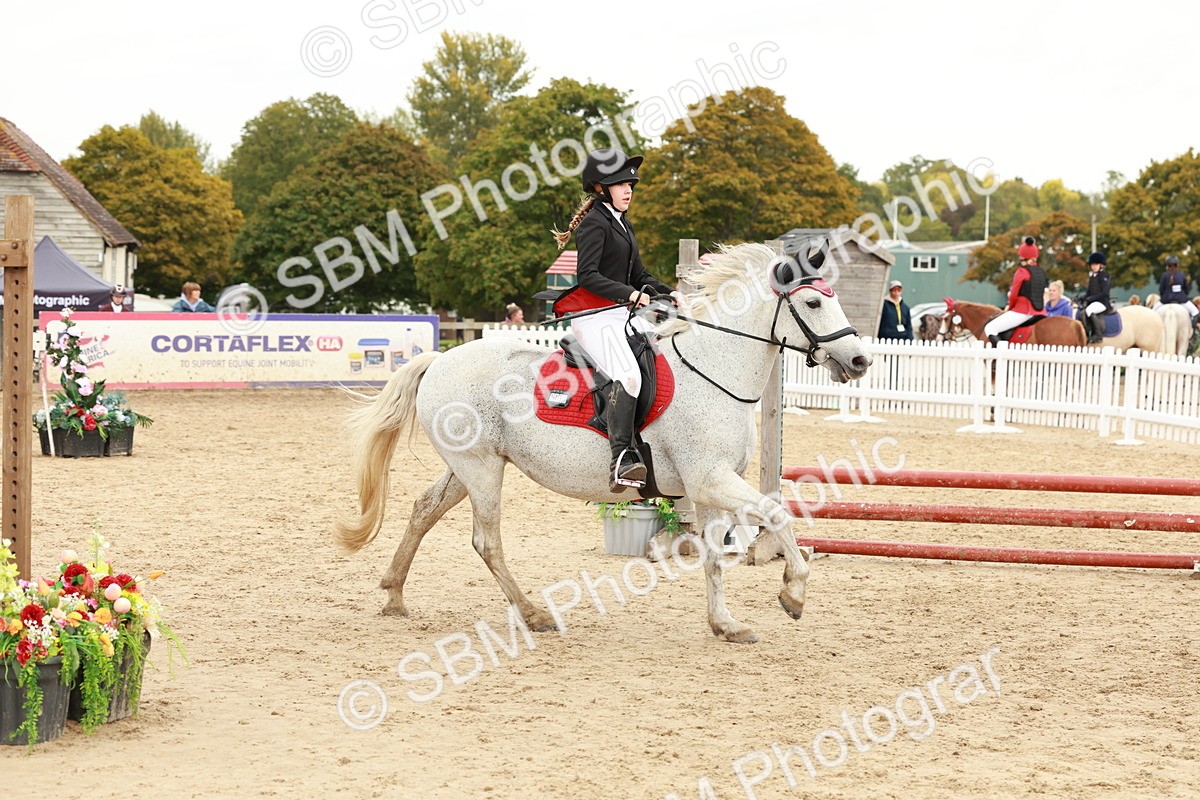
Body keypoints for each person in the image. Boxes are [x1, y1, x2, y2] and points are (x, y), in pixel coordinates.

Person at [550, 148, 682, 492]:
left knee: (658, 348)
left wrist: (670, 293)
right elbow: (588, 275)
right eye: (621, 184)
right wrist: (629, 294)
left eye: (631, 185)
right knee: (627, 374)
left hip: (617, 312)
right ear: (600, 188)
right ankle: (621, 456)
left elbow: (639, 273)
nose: (629, 190)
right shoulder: (595, 224)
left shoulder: (623, 223)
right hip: (592, 315)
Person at [984, 237, 1046, 345]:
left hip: (1022, 311)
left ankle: (1001, 355)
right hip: (1041, 312)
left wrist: (1010, 308)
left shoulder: (1022, 272)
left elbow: (1013, 295)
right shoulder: (1041, 272)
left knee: (990, 328)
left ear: (1023, 257)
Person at [1080, 251, 1113, 343]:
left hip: (1103, 302)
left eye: (1096, 264)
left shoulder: (1105, 276)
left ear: (1101, 265)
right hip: (1094, 302)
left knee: (1089, 310)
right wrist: (1082, 298)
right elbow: (1089, 292)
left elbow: (1104, 293)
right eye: (1092, 264)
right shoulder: (1092, 276)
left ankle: (1098, 334)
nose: (1094, 266)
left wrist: (1090, 298)